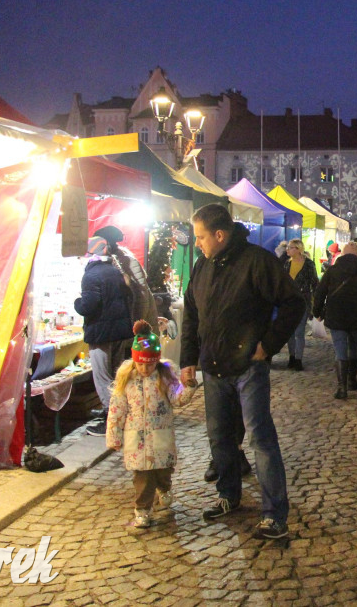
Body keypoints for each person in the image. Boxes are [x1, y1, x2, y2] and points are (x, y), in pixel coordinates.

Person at [181, 203, 303, 539]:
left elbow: (294, 303)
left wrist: (268, 345)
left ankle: (275, 513)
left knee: (260, 439)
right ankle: (228, 495)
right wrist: (188, 359)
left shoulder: (258, 262)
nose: (198, 244)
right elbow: (191, 313)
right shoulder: (201, 266)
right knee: (220, 437)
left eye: (202, 237)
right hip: (213, 366)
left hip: (249, 367)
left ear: (220, 235)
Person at [106, 320, 197, 529]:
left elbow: (177, 400)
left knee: (163, 471)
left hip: (160, 438)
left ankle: (164, 488)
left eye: (149, 364)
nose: (145, 368)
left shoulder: (164, 377)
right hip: (136, 440)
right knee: (142, 478)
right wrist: (114, 436)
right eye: (141, 364)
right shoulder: (126, 380)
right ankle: (142, 510)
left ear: (156, 361)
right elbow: (117, 410)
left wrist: (188, 388)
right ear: (134, 361)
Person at [74, 228, 139, 437]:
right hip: (119, 332)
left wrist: (77, 303)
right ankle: (119, 414)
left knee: (102, 377)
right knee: (115, 376)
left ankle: (112, 421)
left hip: (101, 332)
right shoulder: (115, 271)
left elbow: (88, 306)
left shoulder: (91, 275)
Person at [312, 242, 357, 398]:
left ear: (342, 254)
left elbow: (320, 292)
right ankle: (352, 381)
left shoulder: (332, 270)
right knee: (354, 347)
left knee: (340, 349)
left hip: (336, 315)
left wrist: (317, 311)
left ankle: (342, 388)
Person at [283, 239, 318, 371]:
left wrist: (314, 302)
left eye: (290, 247)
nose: (287, 250)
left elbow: (314, 283)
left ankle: (298, 359)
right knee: (289, 332)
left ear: (298, 249)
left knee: (299, 331)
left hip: (303, 300)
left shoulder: (309, 264)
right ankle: (292, 356)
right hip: (288, 301)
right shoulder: (287, 264)